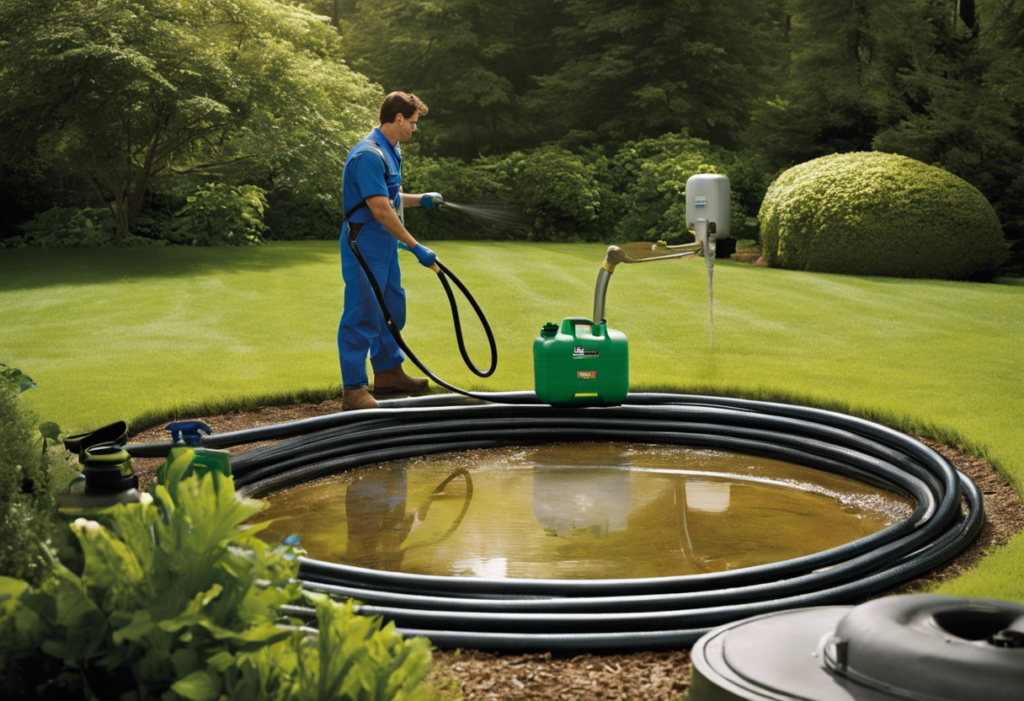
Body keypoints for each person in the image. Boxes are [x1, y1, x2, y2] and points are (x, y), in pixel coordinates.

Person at [338, 92, 442, 411]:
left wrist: (418, 198)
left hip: (384, 244)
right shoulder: (368, 155)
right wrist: (416, 246)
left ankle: (388, 372)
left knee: (392, 308)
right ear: (398, 119)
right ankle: (354, 390)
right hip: (364, 242)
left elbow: (391, 196)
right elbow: (381, 209)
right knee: (362, 312)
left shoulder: (391, 149)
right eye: (412, 122)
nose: (414, 128)